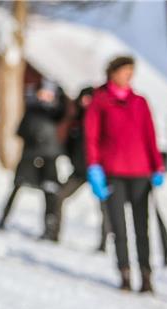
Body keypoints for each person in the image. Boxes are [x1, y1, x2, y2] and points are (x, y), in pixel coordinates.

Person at [85, 56, 165, 293]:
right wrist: (93, 166)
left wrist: (157, 165)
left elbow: (150, 135)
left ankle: (146, 275)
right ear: (113, 73)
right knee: (118, 226)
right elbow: (91, 137)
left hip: (140, 171)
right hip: (113, 172)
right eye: (125, 71)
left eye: (131, 70)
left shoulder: (140, 102)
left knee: (142, 226)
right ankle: (125, 273)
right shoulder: (100, 102)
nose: (129, 75)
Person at [0, 79, 67, 241]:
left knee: (50, 192)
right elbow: (20, 131)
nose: (45, 96)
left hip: (49, 158)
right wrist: (33, 138)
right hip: (30, 156)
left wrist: (61, 94)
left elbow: (63, 112)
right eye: (43, 93)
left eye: (49, 94)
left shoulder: (55, 113)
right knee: (17, 186)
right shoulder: (31, 110)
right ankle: (3, 219)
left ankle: (50, 230)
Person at [55, 86, 111, 248]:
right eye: (83, 99)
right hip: (79, 171)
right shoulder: (75, 121)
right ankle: (54, 232)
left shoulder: (101, 121)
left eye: (89, 99)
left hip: (99, 172)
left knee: (105, 208)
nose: (85, 102)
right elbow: (67, 143)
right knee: (60, 196)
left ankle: (104, 243)